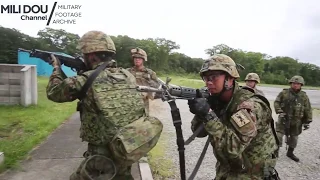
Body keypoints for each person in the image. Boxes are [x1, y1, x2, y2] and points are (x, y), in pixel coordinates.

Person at [46, 30, 163, 180]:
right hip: (125, 147)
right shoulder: (127, 76)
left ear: (91, 55)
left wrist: (56, 68)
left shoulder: (83, 80)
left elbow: (54, 92)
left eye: (84, 55)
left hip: (100, 158)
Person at [187, 54, 280, 179]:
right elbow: (198, 132)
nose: (208, 82)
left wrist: (208, 115)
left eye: (214, 77)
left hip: (251, 174)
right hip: (229, 168)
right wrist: (202, 112)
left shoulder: (249, 106)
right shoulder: (219, 99)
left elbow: (233, 148)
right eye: (206, 78)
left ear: (230, 79)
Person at [274, 75, 312, 162]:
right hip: (284, 119)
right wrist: (279, 111)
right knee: (278, 136)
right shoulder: (284, 93)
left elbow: (308, 109)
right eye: (294, 83)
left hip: (297, 121)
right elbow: (277, 102)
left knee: (294, 138)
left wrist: (307, 121)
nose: (295, 85)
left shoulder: (304, 96)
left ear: (301, 85)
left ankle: (290, 152)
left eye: (298, 84)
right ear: (291, 83)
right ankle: (275, 151)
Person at [127, 47, 160, 115]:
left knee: (144, 119)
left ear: (143, 60)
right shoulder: (127, 71)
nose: (137, 60)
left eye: (139, 58)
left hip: (143, 102)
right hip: (130, 101)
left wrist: (149, 80)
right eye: (135, 58)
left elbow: (157, 86)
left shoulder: (149, 73)